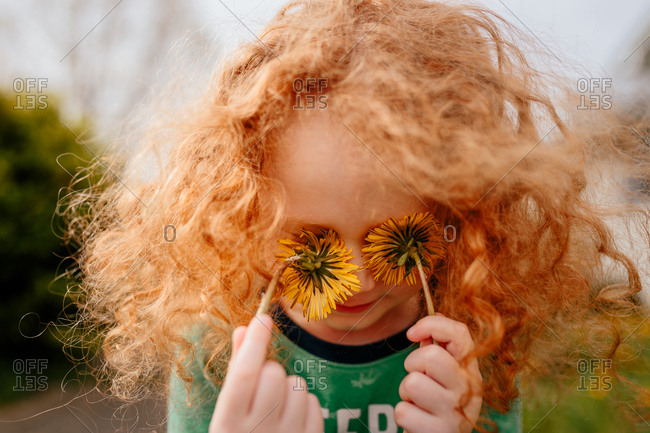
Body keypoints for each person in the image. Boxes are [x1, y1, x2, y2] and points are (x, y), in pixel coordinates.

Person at [61, 1, 649, 432]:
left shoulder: (471, 349)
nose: (359, 280)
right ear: (246, 218)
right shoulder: (214, 352)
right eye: (310, 243)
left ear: (461, 218)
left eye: (398, 241)